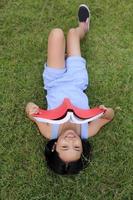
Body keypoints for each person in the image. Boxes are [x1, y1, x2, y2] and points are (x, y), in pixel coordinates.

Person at [25, 4, 114, 175]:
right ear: (83, 147)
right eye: (77, 147)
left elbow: (30, 112)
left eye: (65, 146)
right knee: (72, 34)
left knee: (57, 34)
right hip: (76, 80)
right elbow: (108, 118)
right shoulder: (88, 131)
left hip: (54, 81)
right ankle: (83, 27)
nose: (71, 140)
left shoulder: (49, 131)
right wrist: (105, 111)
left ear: (54, 146)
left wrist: (31, 108)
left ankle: (63, 55)